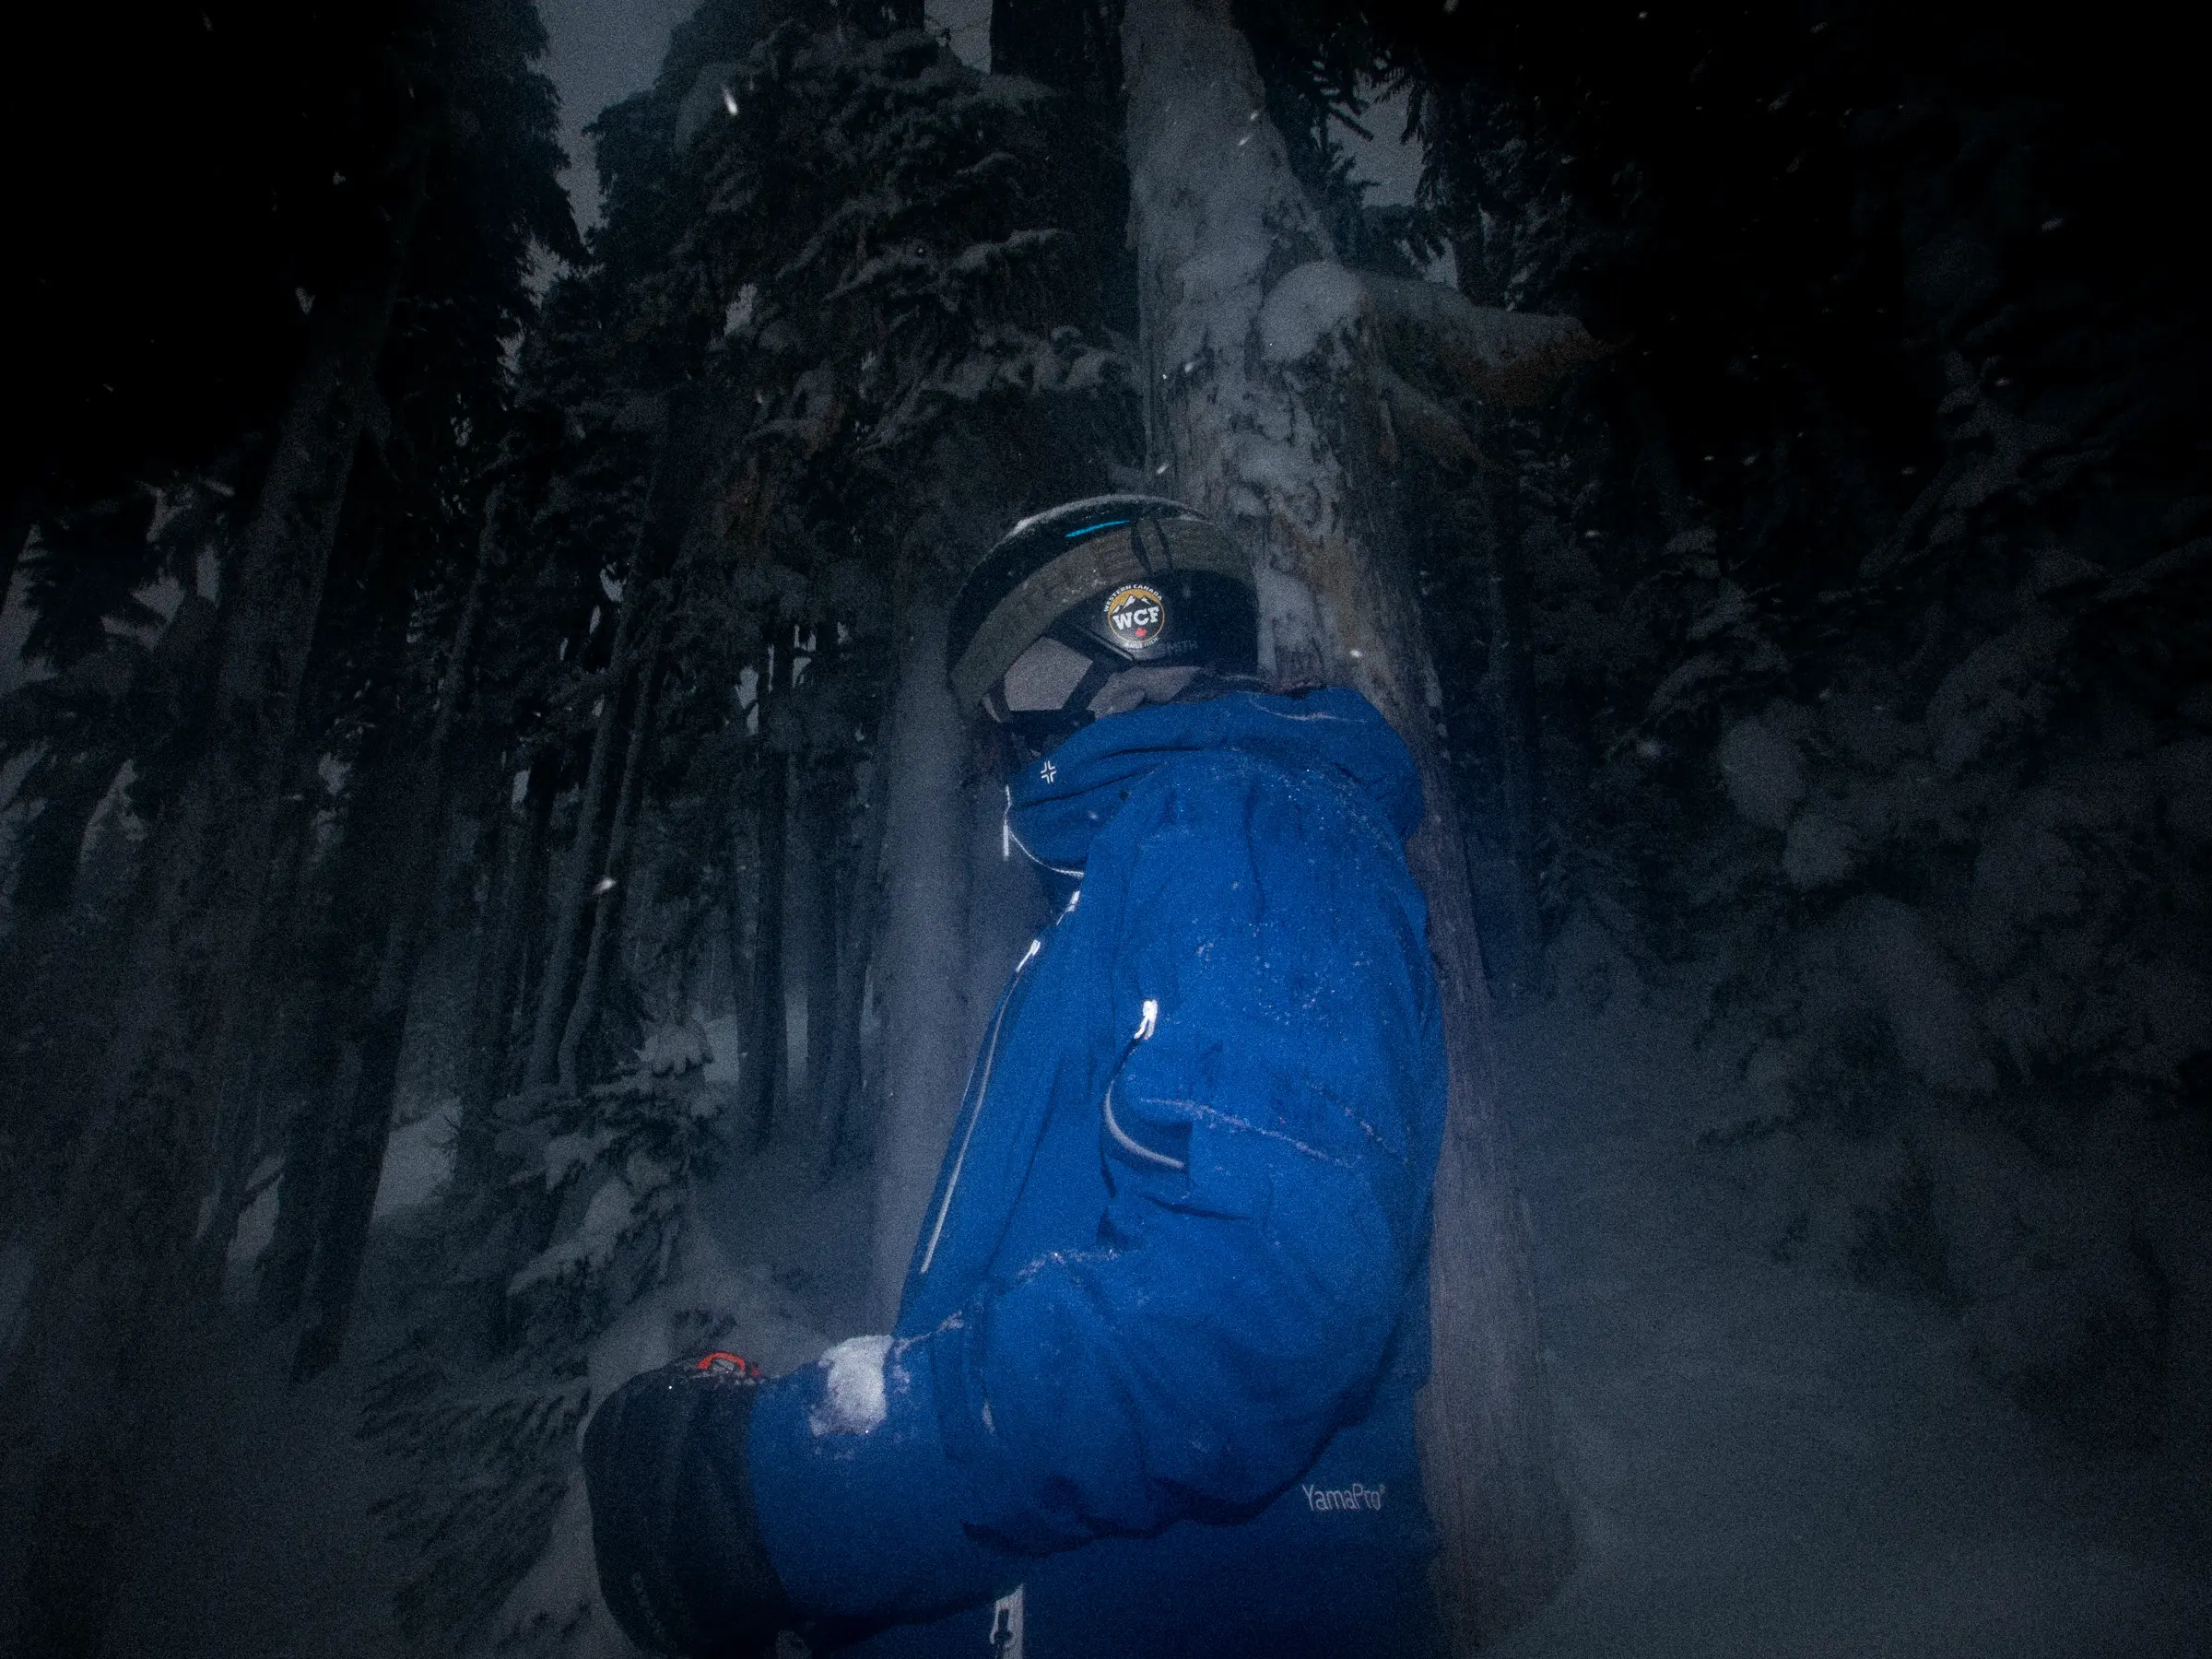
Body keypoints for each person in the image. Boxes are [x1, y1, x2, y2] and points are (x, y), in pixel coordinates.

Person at [583, 497, 1449, 1657]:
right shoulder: (1149, 878)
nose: (998, 741)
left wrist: (789, 1491)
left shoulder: (1242, 827)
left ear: (1098, 653)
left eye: (1007, 693)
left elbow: (1250, 1304)